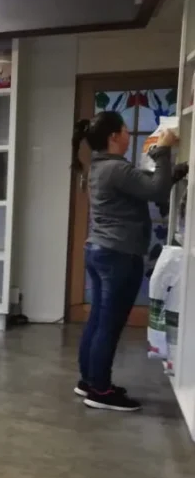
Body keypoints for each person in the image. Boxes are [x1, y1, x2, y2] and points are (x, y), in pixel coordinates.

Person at [73, 111, 187, 411]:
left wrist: (174, 172)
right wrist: (162, 149)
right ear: (114, 136)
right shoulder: (116, 168)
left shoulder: (102, 166)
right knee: (108, 325)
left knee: (98, 320)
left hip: (100, 251)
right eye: (125, 130)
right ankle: (100, 391)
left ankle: (89, 381)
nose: (128, 135)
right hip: (118, 255)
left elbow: (145, 185)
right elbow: (155, 190)